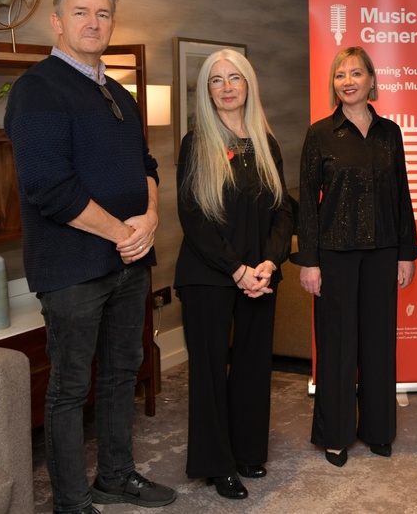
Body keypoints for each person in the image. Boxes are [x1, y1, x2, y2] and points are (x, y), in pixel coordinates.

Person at [3, 0, 176, 514]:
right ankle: (72, 502)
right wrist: (123, 232)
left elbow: (145, 165)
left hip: (128, 262)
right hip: (73, 268)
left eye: (102, 14)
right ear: (57, 21)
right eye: (80, 12)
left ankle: (116, 476)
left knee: (125, 372)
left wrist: (148, 217)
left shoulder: (117, 90)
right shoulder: (38, 88)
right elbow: (48, 188)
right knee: (70, 389)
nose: (93, 23)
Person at [292, 46, 417, 467]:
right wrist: (308, 261)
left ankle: (379, 430)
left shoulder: (390, 133)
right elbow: (308, 204)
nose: (347, 81)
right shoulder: (320, 134)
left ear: (370, 81)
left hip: (384, 253)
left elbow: (401, 196)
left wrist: (406, 253)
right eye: (340, 75)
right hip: (335, 255)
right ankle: (336, 435)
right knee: (337, 347)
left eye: (355, 73)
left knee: (379, 344)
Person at [174, 49, 293, 500]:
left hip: (259, 274)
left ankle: (247, 452)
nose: (227, 87)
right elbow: (194, 217)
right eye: (216, 80)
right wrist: (236, 268)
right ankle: (217, 463)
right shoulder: (196, 143)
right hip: (209, 275)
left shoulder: (265, 141)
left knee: (252, 365)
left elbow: (283, 209)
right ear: (206, 91)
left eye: (235, 78)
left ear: (249, 85)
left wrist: (269, 262)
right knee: (208, 372)